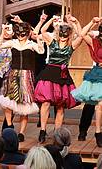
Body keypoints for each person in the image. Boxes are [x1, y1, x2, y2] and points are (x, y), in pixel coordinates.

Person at [0, 22, 44, 142]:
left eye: (23, 32)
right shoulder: (13, 43)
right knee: (8, 101)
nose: (20, 35)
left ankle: (22, 132)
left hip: (26, 76)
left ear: (27, 33)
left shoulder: (31, 44)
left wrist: (38, 37)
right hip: (13, 74)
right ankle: (9, 124)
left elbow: (41, 51)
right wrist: (3, 32)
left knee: (24, 105)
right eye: (18, 32)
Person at [34, 15, 83, 143]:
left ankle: (57, 133)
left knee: (60, 106)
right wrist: (51, 20)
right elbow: (43, 31)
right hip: (49, 73)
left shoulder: (71, 45)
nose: (63, 36)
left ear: (69, 34)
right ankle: (43, 131)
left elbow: (82, 35)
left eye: (65, 34)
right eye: (61, 34)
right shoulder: (52, 42)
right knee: (45, 103)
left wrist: (76, 22)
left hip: (62, 76)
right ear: (58, 33)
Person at [71, 18, 102, 147]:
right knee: (90, 104)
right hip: (97, 74)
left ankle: (98, 132)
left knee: (100, 105)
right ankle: (83, 130)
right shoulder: (95, 41)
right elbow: (83, 34)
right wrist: (92, 22)